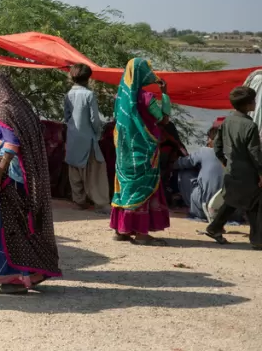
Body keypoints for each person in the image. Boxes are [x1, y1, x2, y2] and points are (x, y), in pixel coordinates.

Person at [0, 70, 62, 294]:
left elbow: (11, 145)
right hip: (28, 178)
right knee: (27, 225)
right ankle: (36, 273)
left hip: (12, 179)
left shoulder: (4, 110)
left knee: (9, 228)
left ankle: (13, 280)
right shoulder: (22, 106)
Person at [110, 58, 170, 245]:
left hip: (124, 152)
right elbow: (164, 119)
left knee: (126, 188)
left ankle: (122, 230)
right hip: (143, 151)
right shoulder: (147, 98)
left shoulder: (120, 97)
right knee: (143, 188)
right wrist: (165, 94)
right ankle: (142, 233)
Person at [205, 86, 262, 249]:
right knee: (255, 204)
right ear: (247, 104)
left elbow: (217, 145)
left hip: (232, 170)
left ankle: (214, 227)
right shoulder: (250, 126)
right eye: (253, 101)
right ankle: (257, 240)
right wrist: (261, 172)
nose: (255, 103)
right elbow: (254, 152)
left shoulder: (227, 121)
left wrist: (224, 161)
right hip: (248, 173)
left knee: (232, 200)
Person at [63, 64, 110, 210]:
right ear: (88, 78)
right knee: (94, 171)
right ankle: (100, 202)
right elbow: (94, 119)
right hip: (87, 138)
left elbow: (67, 117)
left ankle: (79, 201)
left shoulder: (68, 95)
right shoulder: (89, 95)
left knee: (74, 170)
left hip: (72, 137)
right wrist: (98, 133)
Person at [173, 123, 227, 222]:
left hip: (203, 208)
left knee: (184, 174)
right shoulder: (235, 154)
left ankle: (195, 208)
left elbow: (181, 163)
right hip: (230, 213)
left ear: (210, 140)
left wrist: (169, 163)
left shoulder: (204, 151)